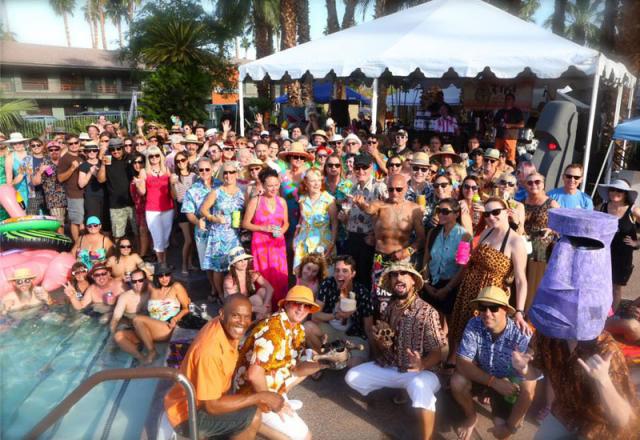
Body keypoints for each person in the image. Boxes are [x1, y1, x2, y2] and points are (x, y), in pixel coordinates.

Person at [345, 262, 446, 440]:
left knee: (419, 387)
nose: (398, 278)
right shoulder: (390, 308)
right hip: (393, 367)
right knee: (352, 377)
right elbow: (387, 344)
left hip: (422, 373)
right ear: (391, 282)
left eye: (404, 273)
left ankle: (427, 437)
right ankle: (402, 390)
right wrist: (381, 342)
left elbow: (439, 352)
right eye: (394, 275)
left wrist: (422, 364)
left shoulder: (427, 312)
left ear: (413, 281)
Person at [164, 295, 285, 439]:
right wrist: (260, 396)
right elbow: (212, 406)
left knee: (247, 406)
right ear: (222, 314)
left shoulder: (225, 326)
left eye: (247, 317)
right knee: (253, 417)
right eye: (236, 316)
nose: (242, 322)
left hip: (204, 400)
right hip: (188, 415)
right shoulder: (210, 351)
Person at [234, 286, 327, 440]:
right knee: (304, 438)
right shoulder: (274, 331)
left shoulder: (298, 329)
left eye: (306, 306)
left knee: (312, 357)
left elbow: (297, 369)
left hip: (270, 381)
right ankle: (250, 420)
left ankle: (271, 407)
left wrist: (326, 362)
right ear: (287, 304)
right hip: (251, 392)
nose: (301, 309)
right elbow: (254, 375)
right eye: (297, 303)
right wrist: (273, 404)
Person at [448, 197, 529, 366]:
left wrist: (519, 311)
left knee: (483, 335)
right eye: (487, 214)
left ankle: (476, 372)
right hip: (469, 289)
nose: (491, 217)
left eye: (495, 212)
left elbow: (521, 280)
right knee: (462, 329)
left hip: (490, 297)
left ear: (507, 212)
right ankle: (459, 364)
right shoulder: (487, 232)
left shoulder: (515, 241)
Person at [452, 286, 536, 440]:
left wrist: (509, 428)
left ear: (506, 310)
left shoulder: (522, 335)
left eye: (494, 307)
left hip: (509, 386)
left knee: (501, 431)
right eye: (482, 308)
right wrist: (493, 382)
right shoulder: (474, 324)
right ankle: (471, 417)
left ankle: (509, 413)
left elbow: (528, 390)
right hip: (487, 378)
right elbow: (462, 363)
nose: (487, 313)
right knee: (457, 381)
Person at [354, 174, 424, 315]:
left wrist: (407, 251)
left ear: (406, 188)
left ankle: (399, 324)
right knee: (379, 298)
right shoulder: (380, 205)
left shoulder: (414, 209)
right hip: (380, 258)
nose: (394, 193)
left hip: (402, 259)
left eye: (399, 189)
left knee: (402, 296)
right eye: (390, 189)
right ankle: (379, 324)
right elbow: (369, 208)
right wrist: (361, 204)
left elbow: (421, 239)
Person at [304, 255, 374, 367]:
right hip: (331, 331)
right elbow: (314, 315)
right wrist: (335, 316)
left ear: (353, 274)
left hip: (354, 335)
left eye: (345, 271)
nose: (340, 274)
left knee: (355, 364)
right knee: (307, 327)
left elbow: (368, 327)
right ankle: (326, 360)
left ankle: (338, 358)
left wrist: (376, 354)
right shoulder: (328, 284)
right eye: (337, 270)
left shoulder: (362, 292)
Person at [243, 167, 289, 308]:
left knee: (279, 275)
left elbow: (286, 223)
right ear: (263, 185)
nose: (274, 188)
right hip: (260, 245)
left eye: (276, 185)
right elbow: (245, 223)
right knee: (264, 275)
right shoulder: (255, 201)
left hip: (278, 245)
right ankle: (264, 309)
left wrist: (282, 231)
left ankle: (280, 307)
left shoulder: (282, 201)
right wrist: (263, 228)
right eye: (270, 186)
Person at [200, 161, 245, 303]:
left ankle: (237, 294)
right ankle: (220, 295)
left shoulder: (241, 192)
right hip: (218, 235)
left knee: (236, 265)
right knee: (218, 268)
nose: (228, 175)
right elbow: (203, 210)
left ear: (236, 174)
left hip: (235, 235)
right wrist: (213, 218)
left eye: (231, 172)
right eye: (225, 172)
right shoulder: (216, 192)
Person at [422, 198, 471, 329]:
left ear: (456, 214)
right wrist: (426, 284)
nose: (440, 214)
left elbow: (463, 268)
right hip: (432, 283)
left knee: (450, 327)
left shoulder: (465, 236)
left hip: (451, 287)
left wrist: (447, 289)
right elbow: (426, 259)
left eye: (445, 211)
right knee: (430, 325)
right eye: (438, 211)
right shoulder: (433, 233)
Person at [131, 265, 190, 364]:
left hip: (168, 326)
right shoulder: (152, 288)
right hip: (154, 328)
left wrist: (175, 319)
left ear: (170, 275)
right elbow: (139, 279)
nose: (164, 278)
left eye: (167, 275)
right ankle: (138, 359)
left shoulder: (176, 287)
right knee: (119, 336)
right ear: (156, 277)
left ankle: (152, 351)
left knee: (137, 319)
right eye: (160, 276)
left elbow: (186, 308)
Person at [597, 179, 640, 311]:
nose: (615, 192)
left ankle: (611, 316)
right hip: (603, 253)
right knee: (600, 285)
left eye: (619, 190)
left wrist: (637, 242)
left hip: (623, 256)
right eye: (612, 189)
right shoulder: (602, 207)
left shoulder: (633, 210)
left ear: (625, 193)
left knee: (616, 287)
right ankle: (599, 313)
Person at [523, 172, 559, 309]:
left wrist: (551, 229)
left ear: (543, 184)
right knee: (522, 279)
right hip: (523, 246)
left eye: (537, 182)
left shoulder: (551, 203)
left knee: (535, 282)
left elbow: (562, 225)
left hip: (541, 249)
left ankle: (531, 315)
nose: (534, 185)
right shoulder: (522, 202)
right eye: (530, 182)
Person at [134, 145, 175, 265]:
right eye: (151, 156)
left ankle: (164, 263)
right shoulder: (144, 171)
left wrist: (173, 183)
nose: (154, 158)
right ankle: (162, 265)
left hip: (168, 208)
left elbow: (172, 190)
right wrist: (138, 185)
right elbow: (142, 192)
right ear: (148, 158)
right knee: (157, 238)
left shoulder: (166, 169)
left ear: (160, 156)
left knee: (165, 238)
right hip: (152, 209)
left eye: (157, 155)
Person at [293, 167, 338, 269]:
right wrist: (295, 237)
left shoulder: (329, 200)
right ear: (306, 182)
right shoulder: (302, 199)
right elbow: (301, 219)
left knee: (322, 273)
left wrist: (332, 244)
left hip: (322, 243)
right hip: (303, 243)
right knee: (304, 274)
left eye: (319, 180)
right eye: (313, 181)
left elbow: (335, 223)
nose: (317, 184)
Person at [98, 138, 137, 240]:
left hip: (133, 203)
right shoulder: (108, 160)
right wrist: (103, 164)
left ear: (123, 148)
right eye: (112, 149)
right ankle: (118, 251)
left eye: (118, 148)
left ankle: (137, 250)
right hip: (116, 204)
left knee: (137, 233)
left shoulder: (131, 158)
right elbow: (101, 180)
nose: (116, 151)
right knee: (118, 236)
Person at [223, 247, 273, 321]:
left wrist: (265, 305)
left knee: (263, 291)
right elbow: (235, 305)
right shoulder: (229, 281)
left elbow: (270, 288)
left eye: (245, 259)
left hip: (250, 306)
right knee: (256, 299)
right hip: (235, 310)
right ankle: (263, 321)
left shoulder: (251, 274)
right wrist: (259, 308)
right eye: (239, 260)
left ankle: (266, 318)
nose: (243, 262)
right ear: (233, 264)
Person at [110, 269, 151, 359]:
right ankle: (141, 358)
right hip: (134, 329)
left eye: (140, 280)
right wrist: (112, 337)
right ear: (131, 282)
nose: (138, 283)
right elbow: (116, 318)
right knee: (118, 336)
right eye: (134, 281)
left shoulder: (152, 292)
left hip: (151, 329)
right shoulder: (125, 297)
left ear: (146, 280)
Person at [171, 151, 197, 275]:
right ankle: (184, 266)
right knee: (188, 239)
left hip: (193, 208)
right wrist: (172, 184)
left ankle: (190, 263)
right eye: (178, 161)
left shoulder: (194, 176)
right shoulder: (174, 176)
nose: (180, 163)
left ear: (187, 160)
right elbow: (174, 196)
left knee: (192, 238)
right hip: (182, 208)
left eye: (183, 160)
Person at [57, 134, 85, 241]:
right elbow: (60, 178)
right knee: (76, 222)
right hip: (74, 194)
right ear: (67, 145)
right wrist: (72, 168)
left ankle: (83, 243)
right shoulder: (64, 159)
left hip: (84, 193)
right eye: (70, 144)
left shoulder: (81, 156)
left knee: (82, 221)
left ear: (79, 143)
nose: (74, 145)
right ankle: (77, 245)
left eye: (76, 143)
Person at [33, 141, 66, 226]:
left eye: (56, 149)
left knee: (72, 224)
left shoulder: (65, 161)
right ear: (47, 151)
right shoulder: (44, 164)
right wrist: (40, 172)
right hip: (55, 201)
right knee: (59, 225)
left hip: (69, 198)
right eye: (51, 150)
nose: (54, 151)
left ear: (60, 150)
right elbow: (35, 182)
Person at [129, 152, 151, 259]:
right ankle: (147, 254)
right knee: (141, 232)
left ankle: (142, 256)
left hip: (147, 208)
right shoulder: (133, 176)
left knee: (143, 232)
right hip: (137, 209)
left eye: (140, 162)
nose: (137, 165)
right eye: (135, 162)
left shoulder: (147, 176)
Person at [77, 140, 105, 221]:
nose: (92, 152)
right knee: (93, 221)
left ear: (97, 151)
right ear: (86, 152)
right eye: (89, 151)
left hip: (105, 195)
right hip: (91, 197)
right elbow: (81, 184)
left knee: (105, 222)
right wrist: (90, 172)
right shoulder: (83, 165)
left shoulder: (103, 163)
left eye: (94, 150)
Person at [493, 93, 524, 164]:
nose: (507, 101)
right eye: (506, 99)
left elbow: (522, 124)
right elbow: (494, 124)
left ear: (513, 101)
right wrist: (499, 124)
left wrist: (510, 125)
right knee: (496, 157)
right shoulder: (500, 111)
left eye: (509, 99)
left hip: (511, 138)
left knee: (510, 158)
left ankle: (511, 170)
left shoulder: (517, 111)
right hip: (499, 137)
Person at [23, 137, 47, 214]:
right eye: (33, 146)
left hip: (48, 192)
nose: (36, 147)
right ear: (30, 147)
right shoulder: (26, 160)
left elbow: (52, 174)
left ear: (42, 146)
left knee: (51, 217)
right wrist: (11, 184)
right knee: (31, 216)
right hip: (34, 192)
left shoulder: (48, 158)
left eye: (38, 145)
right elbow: (20, 174)